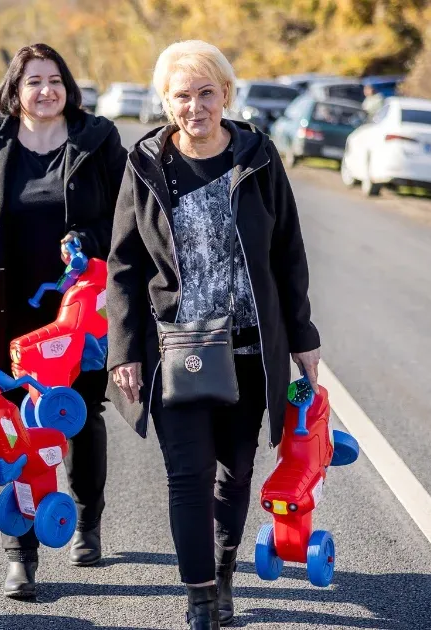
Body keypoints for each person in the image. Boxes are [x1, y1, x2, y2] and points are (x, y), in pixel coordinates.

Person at [104, 41, 322, 630]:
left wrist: (302, 335)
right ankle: (200, 598)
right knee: (188, 473)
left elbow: (288, 252)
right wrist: (123, 347)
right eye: (183, 95)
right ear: (166, 101)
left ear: (226, 94)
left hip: (250, 348)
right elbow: (123, 264)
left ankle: (223, 573)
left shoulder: (257, 156)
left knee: (236, 472)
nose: (195, 106)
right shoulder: (147, 163)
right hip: (177, 348)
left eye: (207, 93)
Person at [0, 43, 126, 599]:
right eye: (34, 81)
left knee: (79, 414)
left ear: (68, 86)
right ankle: (21, 550)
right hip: (7, 313)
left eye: (55, 79)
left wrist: (88, 241)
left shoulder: (97, 140)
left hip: (79, 309)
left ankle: (86, 518)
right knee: (14, 423)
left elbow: (126, 220)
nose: (46, 90)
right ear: (16, 88)